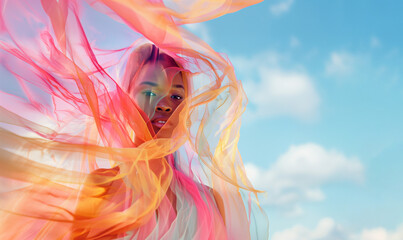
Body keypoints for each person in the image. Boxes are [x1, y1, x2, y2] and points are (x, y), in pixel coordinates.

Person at [0, 0, 269, 239]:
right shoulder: (103, 187)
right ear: (127, 99)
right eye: (150, 92)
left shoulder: (211, 201)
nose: (164, 105)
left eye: (176, 97)